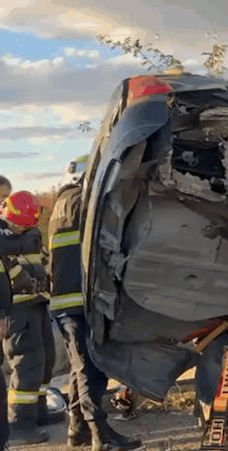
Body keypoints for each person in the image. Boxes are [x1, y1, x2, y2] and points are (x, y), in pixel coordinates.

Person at [49, 168, 142, 450]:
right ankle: (100, 435)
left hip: (68, 301)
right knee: (91, 369)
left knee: (81, 369)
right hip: (80, 300)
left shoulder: (61, 206)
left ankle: (77, 430)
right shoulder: (80, 202)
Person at [1, 190, 56, 446]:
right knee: (26, 366)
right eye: (18, 225)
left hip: (37, 305)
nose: (22, 230)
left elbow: (42, 261)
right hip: (15, 313)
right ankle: (20, 424)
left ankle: (38, 413)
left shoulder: (32, 233)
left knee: (45, 361)